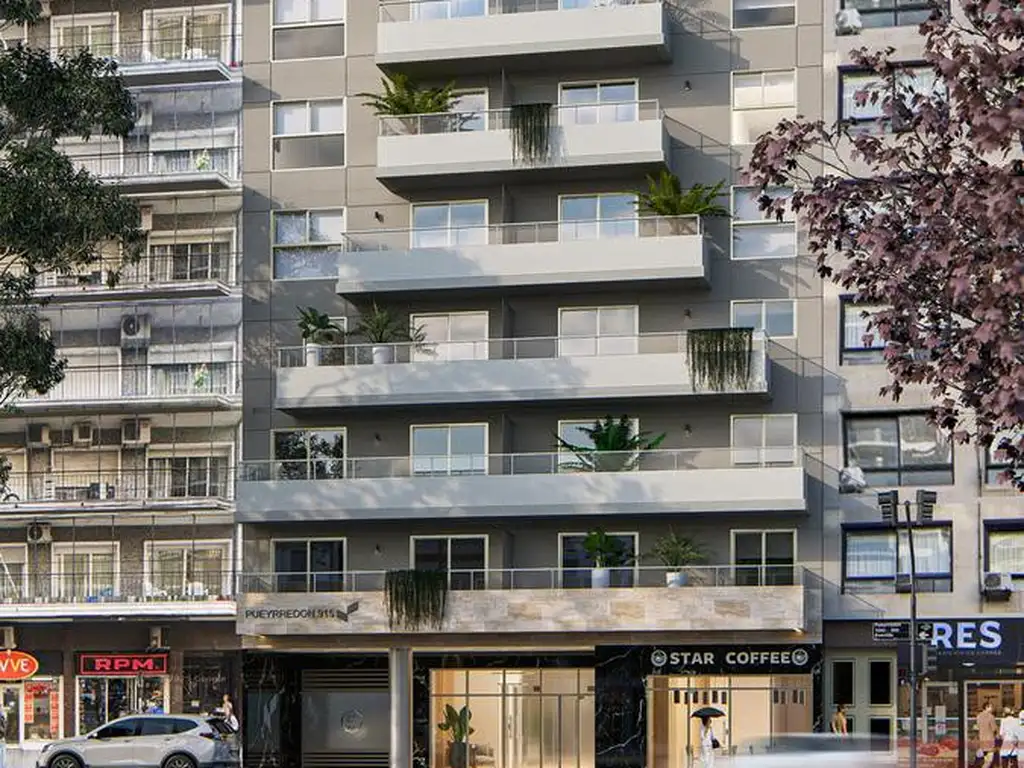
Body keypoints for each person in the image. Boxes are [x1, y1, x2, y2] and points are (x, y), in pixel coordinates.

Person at [978, 701, 997, 768]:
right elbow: (994, 729)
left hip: (982, 741)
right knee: (989, 761)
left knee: (986, 759)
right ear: (986, 707)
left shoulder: (979, 716)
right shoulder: (991, 716)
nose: (992, 708)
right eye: (991, 707)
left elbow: (978, 727)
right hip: (989, 741)